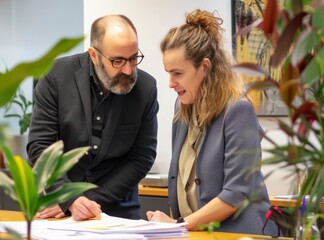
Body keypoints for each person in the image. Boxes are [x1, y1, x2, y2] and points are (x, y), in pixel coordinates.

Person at [146, 9, 278, 235]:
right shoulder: (182, 107)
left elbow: (237, 193)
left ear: (204, 67)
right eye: (168, 73)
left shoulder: (238, 110)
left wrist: (177, 225)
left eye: (177, 73)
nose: (170, 83)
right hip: (197, 233)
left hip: (240, 234)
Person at [27, 14, 159, 221]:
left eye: (134, 58)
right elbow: (40, 146)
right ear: (94, 55)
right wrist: (68, 198)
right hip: (55, 206)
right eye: (118, 61)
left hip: (117, 211)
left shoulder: (146, 89)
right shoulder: (56, 76)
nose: (128, 69)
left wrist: (86, 201)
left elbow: (141, 157)